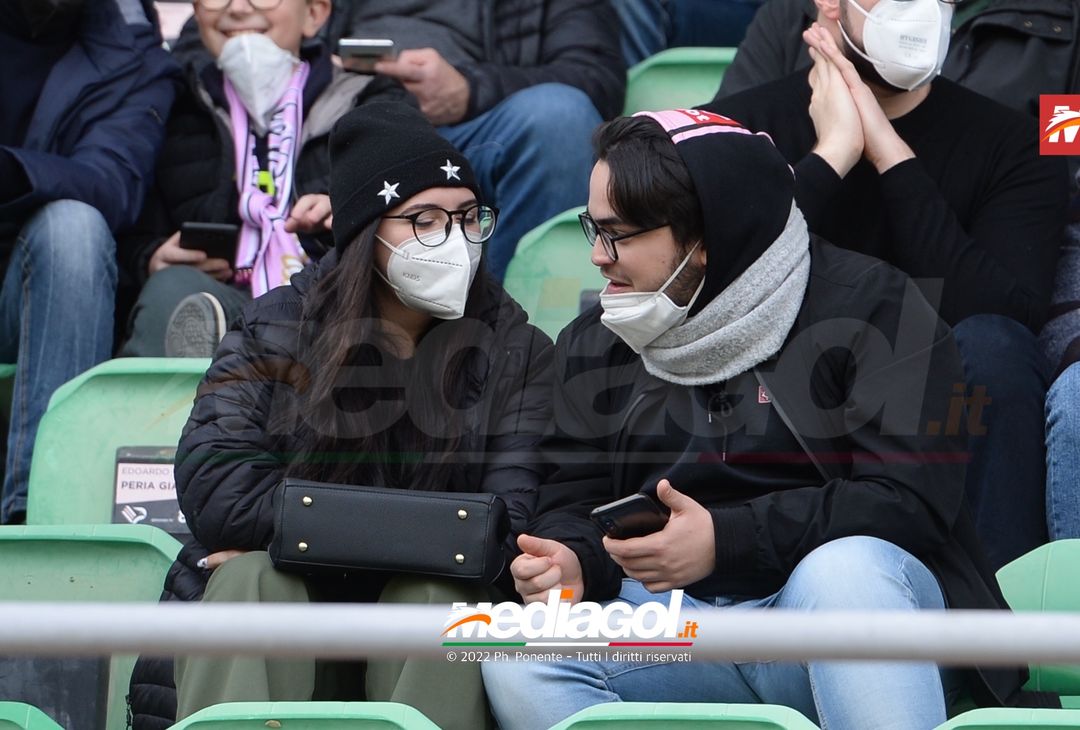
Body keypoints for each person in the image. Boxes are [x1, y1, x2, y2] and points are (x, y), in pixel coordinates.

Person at [479, 109, 1056, 730]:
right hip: (677, 626)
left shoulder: (876, 303)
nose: (597, 255)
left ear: (705, 237)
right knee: (515, 647)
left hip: (844, 622)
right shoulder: (598, 337)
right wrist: (572, 558)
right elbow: (574, 495)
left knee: (847, 570)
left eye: (618, 234)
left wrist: (724, 542)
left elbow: (908, 502)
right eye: (592, 228)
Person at [170, 102, 553, 730]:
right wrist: (427, 531)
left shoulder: (519, 350)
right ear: (365, 233)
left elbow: (508, 526)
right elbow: (220, 492)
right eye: (423, 220)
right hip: (293, 624)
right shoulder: (276, 325)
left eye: (466, 218)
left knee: (440, 598)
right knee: (255, 583)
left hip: (415, 636)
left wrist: (317, 525)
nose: (453, 241)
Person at [703, 0, 1070, 571]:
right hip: (789, 409)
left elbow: (1003, 317)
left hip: (944, 403)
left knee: (995, 346)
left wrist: (890, 154)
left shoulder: (1016, 142)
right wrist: (833, 155)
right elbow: (713, 291)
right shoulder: (733, 131)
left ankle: (1000, 626)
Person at [118, 0, 405, 358]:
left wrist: (354, 210)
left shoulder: (373, 103)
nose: (237, 8)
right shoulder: (174, 105)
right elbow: (122, 227)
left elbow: (426, 211)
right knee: (172, 291)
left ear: (315, 13)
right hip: (221, 304)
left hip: (333, 304)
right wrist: (149, 257)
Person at [0, 0, 179, 524]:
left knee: (74, 228)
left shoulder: (131, 49)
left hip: (30, 290)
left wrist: (11, 172)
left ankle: (38, 511)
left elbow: (112, 182)